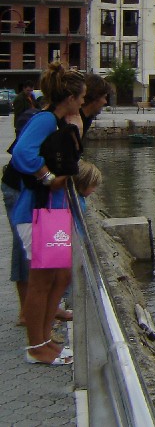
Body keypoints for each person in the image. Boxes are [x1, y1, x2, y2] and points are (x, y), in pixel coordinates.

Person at [10, 62, 85, 366]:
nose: (83, 102)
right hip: (37, 211)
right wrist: (47, 177)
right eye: (81, 97)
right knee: (41, 281)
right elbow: (21, 152)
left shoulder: (57, 122)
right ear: (70, 98)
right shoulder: (45, 120)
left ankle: (43, 340)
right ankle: (35, 347)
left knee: (55, 276)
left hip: (51, 212)